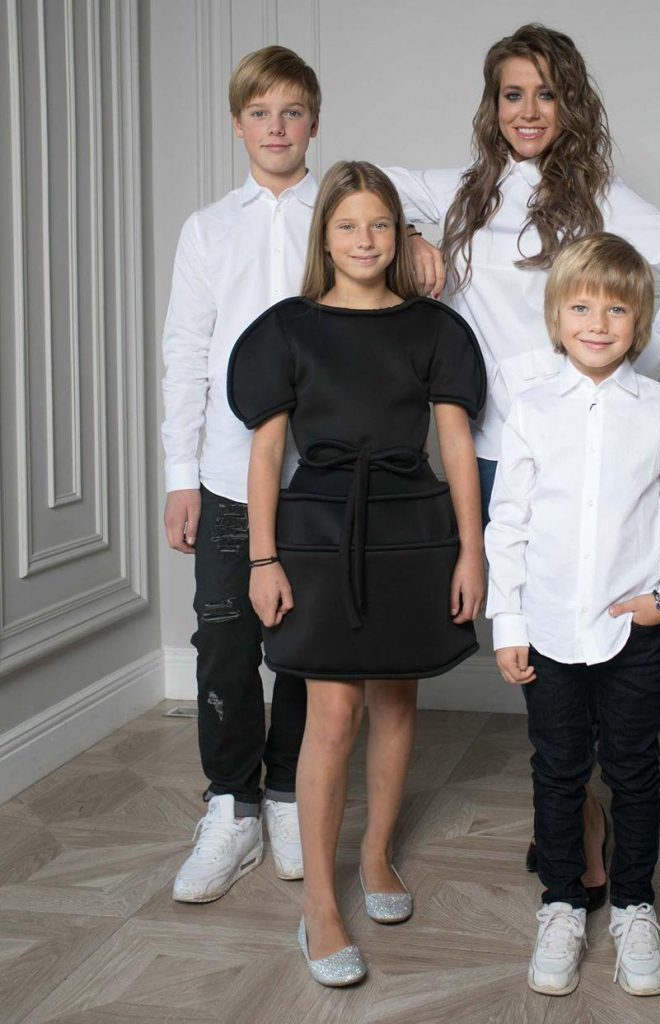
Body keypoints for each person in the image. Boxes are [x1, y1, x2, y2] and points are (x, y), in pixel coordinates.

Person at [390, 21, 660, 894]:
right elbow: (354, 183)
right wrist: (416, 234)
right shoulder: (460, 193)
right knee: (530, 648)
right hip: (487, 450)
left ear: (571, 103)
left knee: (581, 649)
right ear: (492, 105)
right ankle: (575, 817)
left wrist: (626, 376)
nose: (529, 110)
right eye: (513, 94)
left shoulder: (597, 196)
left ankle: (589, 831)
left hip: (575, 449)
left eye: (546, 93)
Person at [228, 161, 486, 987]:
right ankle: (319, 906)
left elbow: (455, 446)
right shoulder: (286, 330)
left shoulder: (435, 329)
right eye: (348, 226)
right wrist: (262, 558)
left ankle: (376, 856)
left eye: (380, 225)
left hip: (412, 534)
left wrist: (472, 551)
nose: (365, 240)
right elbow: (266, 455)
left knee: (397, 701)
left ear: (399, 235)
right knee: (332, 714)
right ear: (325, 237)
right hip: (317, 536)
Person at [486, 232, 660, 997]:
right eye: (581, 307)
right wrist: (509, 624)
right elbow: (508, 526)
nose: (597, 323)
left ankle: (634, 906)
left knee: (633, 771)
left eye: (616, 309)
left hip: (632, 633)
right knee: (557, 771)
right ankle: (560, 904)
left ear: (638, 321)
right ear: (557, 316)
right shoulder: (530, 410)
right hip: (548, 630)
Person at [160, 46, 322, 902]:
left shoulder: (342, 215)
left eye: (291, 112)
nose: (276, 127)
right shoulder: (208, 228)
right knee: (224, 639)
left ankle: (289, 792)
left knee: (303, 642)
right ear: (237, 125)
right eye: (260, 113)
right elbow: (185, 353)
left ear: (313, 122)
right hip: (225, 472)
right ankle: (233, 804)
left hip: (317, 475)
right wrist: (180, 472)